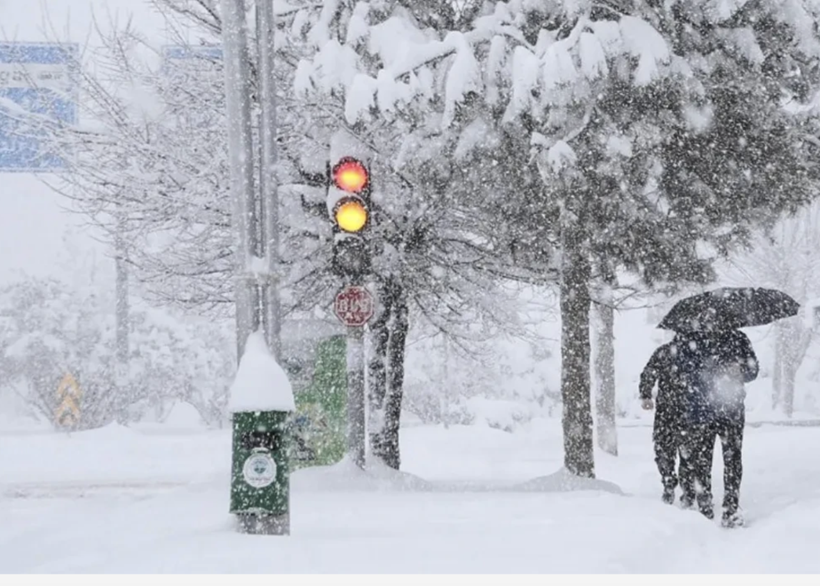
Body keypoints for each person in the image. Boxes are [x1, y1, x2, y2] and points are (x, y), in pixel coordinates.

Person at [674, 328, 759, 528]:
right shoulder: (692, 339)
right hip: (702, 409)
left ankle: (731, 508)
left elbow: (753, 370)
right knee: (703, 459)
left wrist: (740, 370)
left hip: (732, 410)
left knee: (732, 459)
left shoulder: (738, 338)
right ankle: (705, 506)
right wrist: (706, 370)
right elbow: (680, 370)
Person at [639, 336, 695, 507]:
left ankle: (671, 482)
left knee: (666, 450)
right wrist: (646, 394)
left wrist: (646, 394)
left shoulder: (664, 352)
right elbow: (649, 372)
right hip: (687, 411)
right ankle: (684, 489)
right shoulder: (695, 352)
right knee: (687, 452)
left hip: (669, 410)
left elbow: (649, 372)